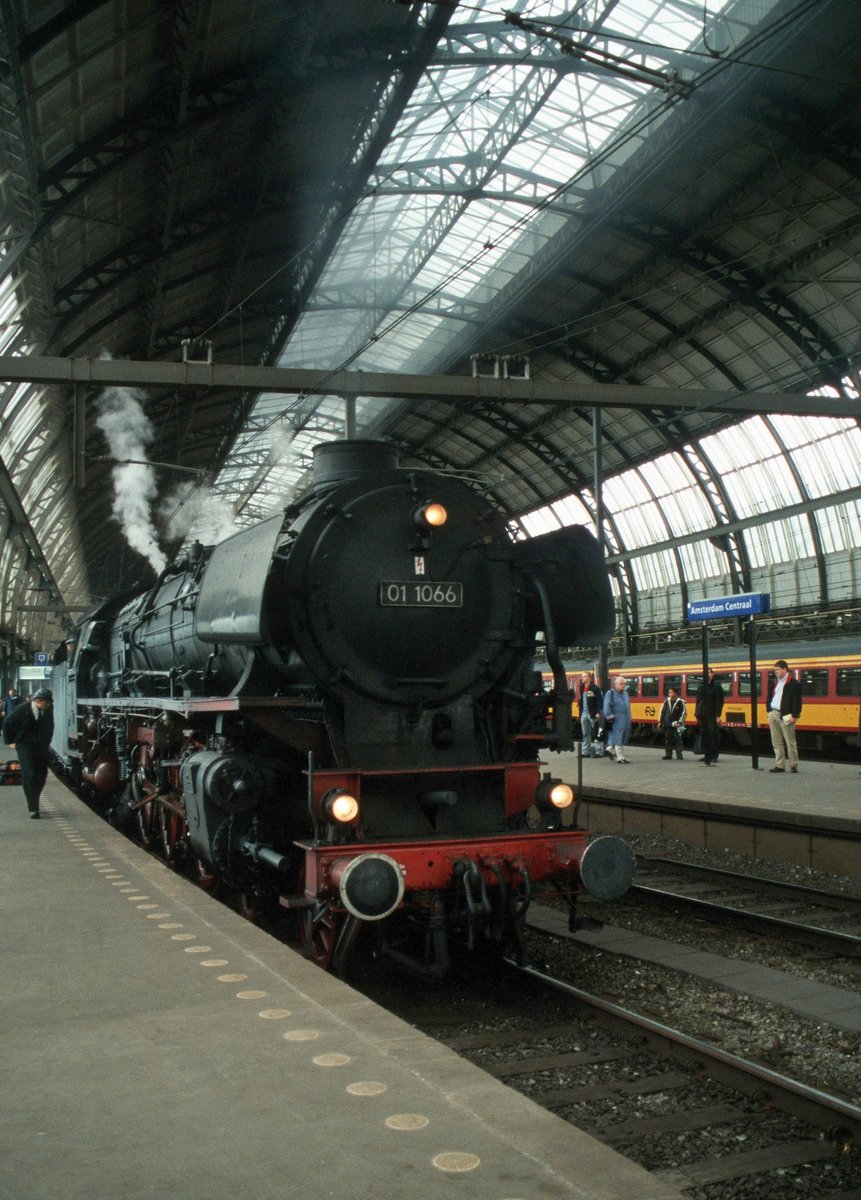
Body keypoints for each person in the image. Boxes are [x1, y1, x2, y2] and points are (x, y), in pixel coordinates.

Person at [2, 687, 54, 818]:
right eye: (46, 702)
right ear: (38, 701)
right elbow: (7, 723)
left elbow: (49, 726)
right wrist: (10, 742)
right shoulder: (22, 709)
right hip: (24, 745)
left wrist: (47, 743)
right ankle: (33, 807)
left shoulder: (48, 709)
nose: (49, 705)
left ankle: (33, 796)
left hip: (41, 746)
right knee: (29, 772)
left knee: (42, 773)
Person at [766, 659, 803, 773]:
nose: (775, 672)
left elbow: (797, 701)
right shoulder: (774, 682)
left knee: (790, 741)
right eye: (775, 669)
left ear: (784, 669)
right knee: (776, 741)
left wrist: (795, 715)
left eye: (777, 669)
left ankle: (793, 765)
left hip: (787, 715)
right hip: (773, 713)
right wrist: (768, 710)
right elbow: (769, 696)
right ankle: (780, 765)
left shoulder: (794, 683)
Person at [695, 669, 724, 766]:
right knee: (704, 735)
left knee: (712, 735)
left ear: (712, 674)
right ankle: (707, 755)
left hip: (712, 715)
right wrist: (697, 714)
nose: (706, 674)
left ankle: (714, 755)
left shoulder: (716, 686)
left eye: (708, 672)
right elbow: (698, 701)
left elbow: (719, 702)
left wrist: (718, 716)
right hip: (703, 715)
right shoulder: (701, 686)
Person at [602, 675, 632, 763]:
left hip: (625, 718)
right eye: (621, 684)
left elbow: (628, 706)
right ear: (615, 684)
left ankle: (608, 749)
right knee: (618, 737)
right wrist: (610, 718)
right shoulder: (610, 694)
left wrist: (630, 717)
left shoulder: (625, 694)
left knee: (622, 737)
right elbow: (606, 707)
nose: (623, 685)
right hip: (616, 719)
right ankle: (620, 758)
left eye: (624, 684)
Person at [578, 671, 604, 758]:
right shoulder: (581, 689)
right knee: (585, 733)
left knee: (596, 732)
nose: (583, 678)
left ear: (589, 678)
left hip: (593, 714)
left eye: (584, 676)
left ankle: (599, 752)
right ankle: (585, 752)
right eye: (582, 677)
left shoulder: (595, 688)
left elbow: (600, 701)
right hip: (584, 714)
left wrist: (598, 712)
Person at [660, 686, 686, 760]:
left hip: (678, 725)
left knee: (679, 739)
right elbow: (663, 712)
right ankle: (668, 754)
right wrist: (660, 722)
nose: (669, 694)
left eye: (671, 692)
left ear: (675, 693)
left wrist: (680, 722)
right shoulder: (666, 701)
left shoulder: (681, 702)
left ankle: (679, 755)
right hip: (668, 724)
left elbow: (684, 713)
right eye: (669, 692)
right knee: (668, 739)